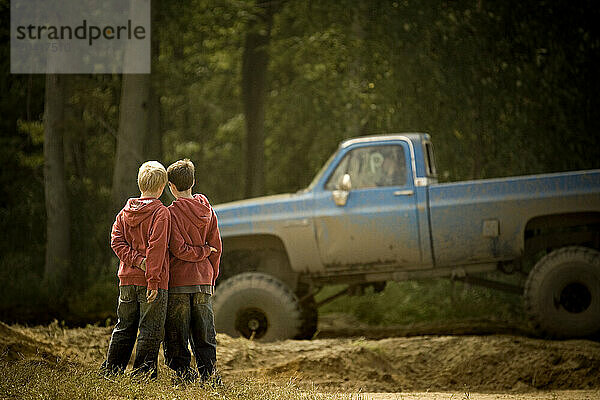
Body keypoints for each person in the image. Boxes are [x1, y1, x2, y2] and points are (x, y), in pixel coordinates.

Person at [100, 161, 171, 380]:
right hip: (152, 282)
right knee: (150, 329)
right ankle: (143, 373)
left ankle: (111, 370)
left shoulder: (124, 212)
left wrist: (135, 260)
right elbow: (157, 249)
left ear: (140, 184)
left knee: (124, 326)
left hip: (126, 280)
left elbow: (116, 241)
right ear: (161, 188)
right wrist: (152, 280)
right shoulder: (161, 213)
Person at [163, 159, 222, 384]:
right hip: (203, 282)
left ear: (171, 187)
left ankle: (182, 374)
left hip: (178, 282)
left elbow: (178, 249)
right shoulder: (208, 210)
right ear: (194, 182)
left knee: (177, 332)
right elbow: (217, 247)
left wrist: (200, 251)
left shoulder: (170, 213)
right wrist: (211, 274)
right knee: (205, 331)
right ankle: (209, 373)